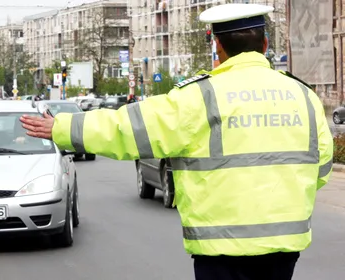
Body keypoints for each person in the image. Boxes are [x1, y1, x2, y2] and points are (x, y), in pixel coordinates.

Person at [20, 3, 334, 280]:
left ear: (217, 46)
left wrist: (62, 127)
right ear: (265, 44)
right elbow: (321, 167)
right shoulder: (303, 95)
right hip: (285, 246)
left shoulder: (200, 96)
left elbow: (127, 128)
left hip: (220, 247)